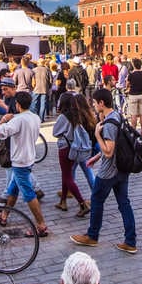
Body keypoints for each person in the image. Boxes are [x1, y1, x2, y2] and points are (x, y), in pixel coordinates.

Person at [70, 87, 137, 253]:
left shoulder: (108, 124)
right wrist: (96, 156)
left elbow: (109, 150)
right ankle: (130, 240)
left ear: (101, 103)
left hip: (109, 171)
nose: (93, 105)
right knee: (124, 203)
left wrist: (97, 135)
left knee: (97, 201)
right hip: (122, 168)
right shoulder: (118, 116)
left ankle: (92, 236)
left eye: (94, 102)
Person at [0, 91, 49, 236]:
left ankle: (41, 225)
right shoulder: (35, 117)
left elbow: (0, 133)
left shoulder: (17, 120)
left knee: (28, 194)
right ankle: (4, 215)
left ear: (17, 105)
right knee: (13, 188)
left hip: (20, 161)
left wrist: (2, 121)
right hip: (29, 158)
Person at [53, 89, 93, 217]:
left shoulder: (63, 117)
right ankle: (63, 201)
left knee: (67, 176)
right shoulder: (76, 115)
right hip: (74, 147)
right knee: (66, 174)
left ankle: (82, 203)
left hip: (64, 148)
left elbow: (55, 132)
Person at [124, 59, 142, 136]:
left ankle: (134, 131)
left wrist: (128, 88)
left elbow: (127, 85)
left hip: (133, 95)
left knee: (133, 115)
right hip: (141, 94)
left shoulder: (131, 75)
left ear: (134, 65)